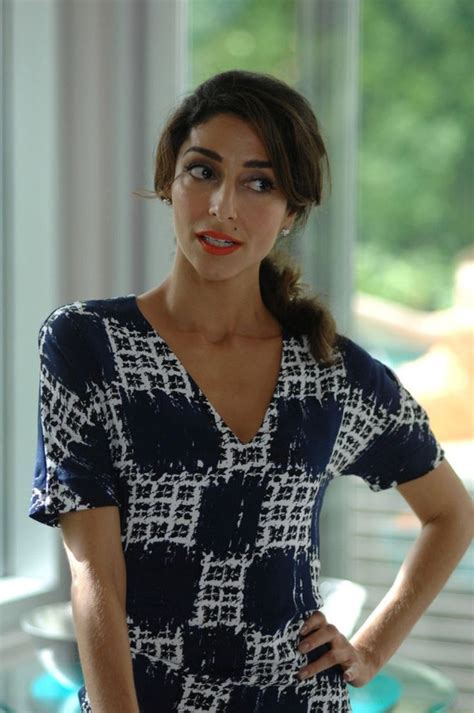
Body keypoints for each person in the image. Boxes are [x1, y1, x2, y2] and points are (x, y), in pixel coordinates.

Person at [29, 70, 472, 713]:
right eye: (202, 172)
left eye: (258, 184)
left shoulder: (331, 373)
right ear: (168, 182)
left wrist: (372, 648)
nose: (222, 208)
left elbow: (450, 513)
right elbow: (95, 573)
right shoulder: (87, 344)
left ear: (292, 212)